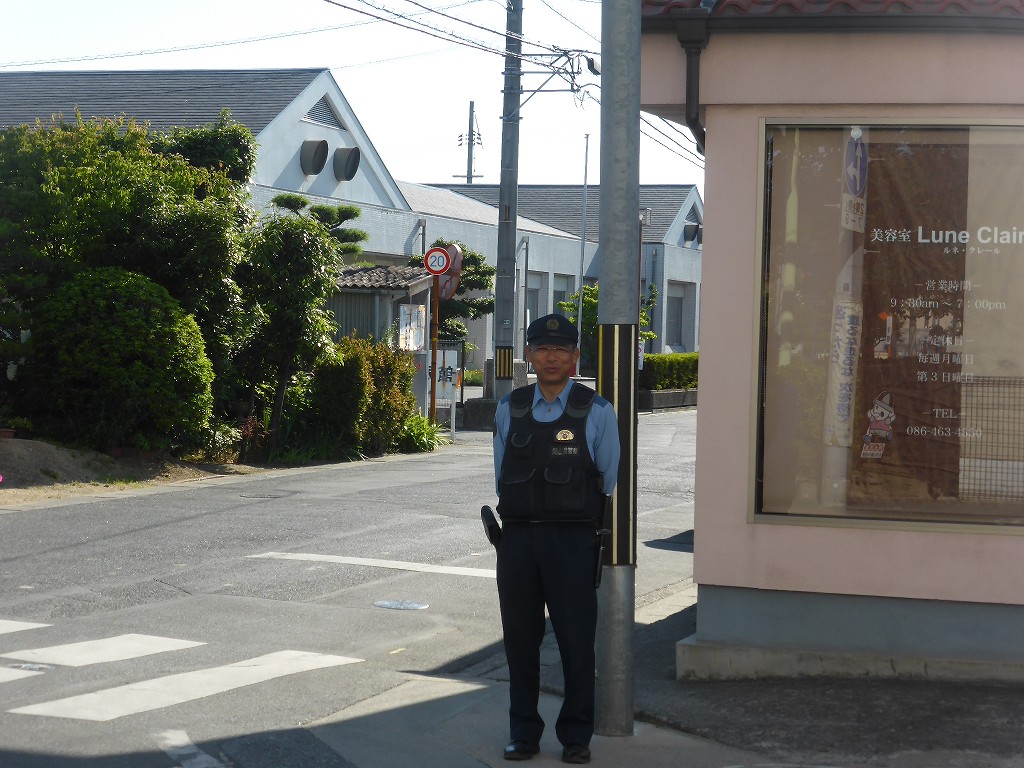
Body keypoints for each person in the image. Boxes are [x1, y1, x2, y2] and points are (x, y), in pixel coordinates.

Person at [492, 313, 620, 764]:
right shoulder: (509, 408)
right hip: (518, 542)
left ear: (574, 357)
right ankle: (523, 734)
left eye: (561, 349)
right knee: (519, 642)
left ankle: (576, 737)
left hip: (572, 542)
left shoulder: (598, 410)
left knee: (576, 643)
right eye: (542, 348)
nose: (551, 357)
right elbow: (501, 475)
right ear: (528, 354)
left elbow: (606, 480)